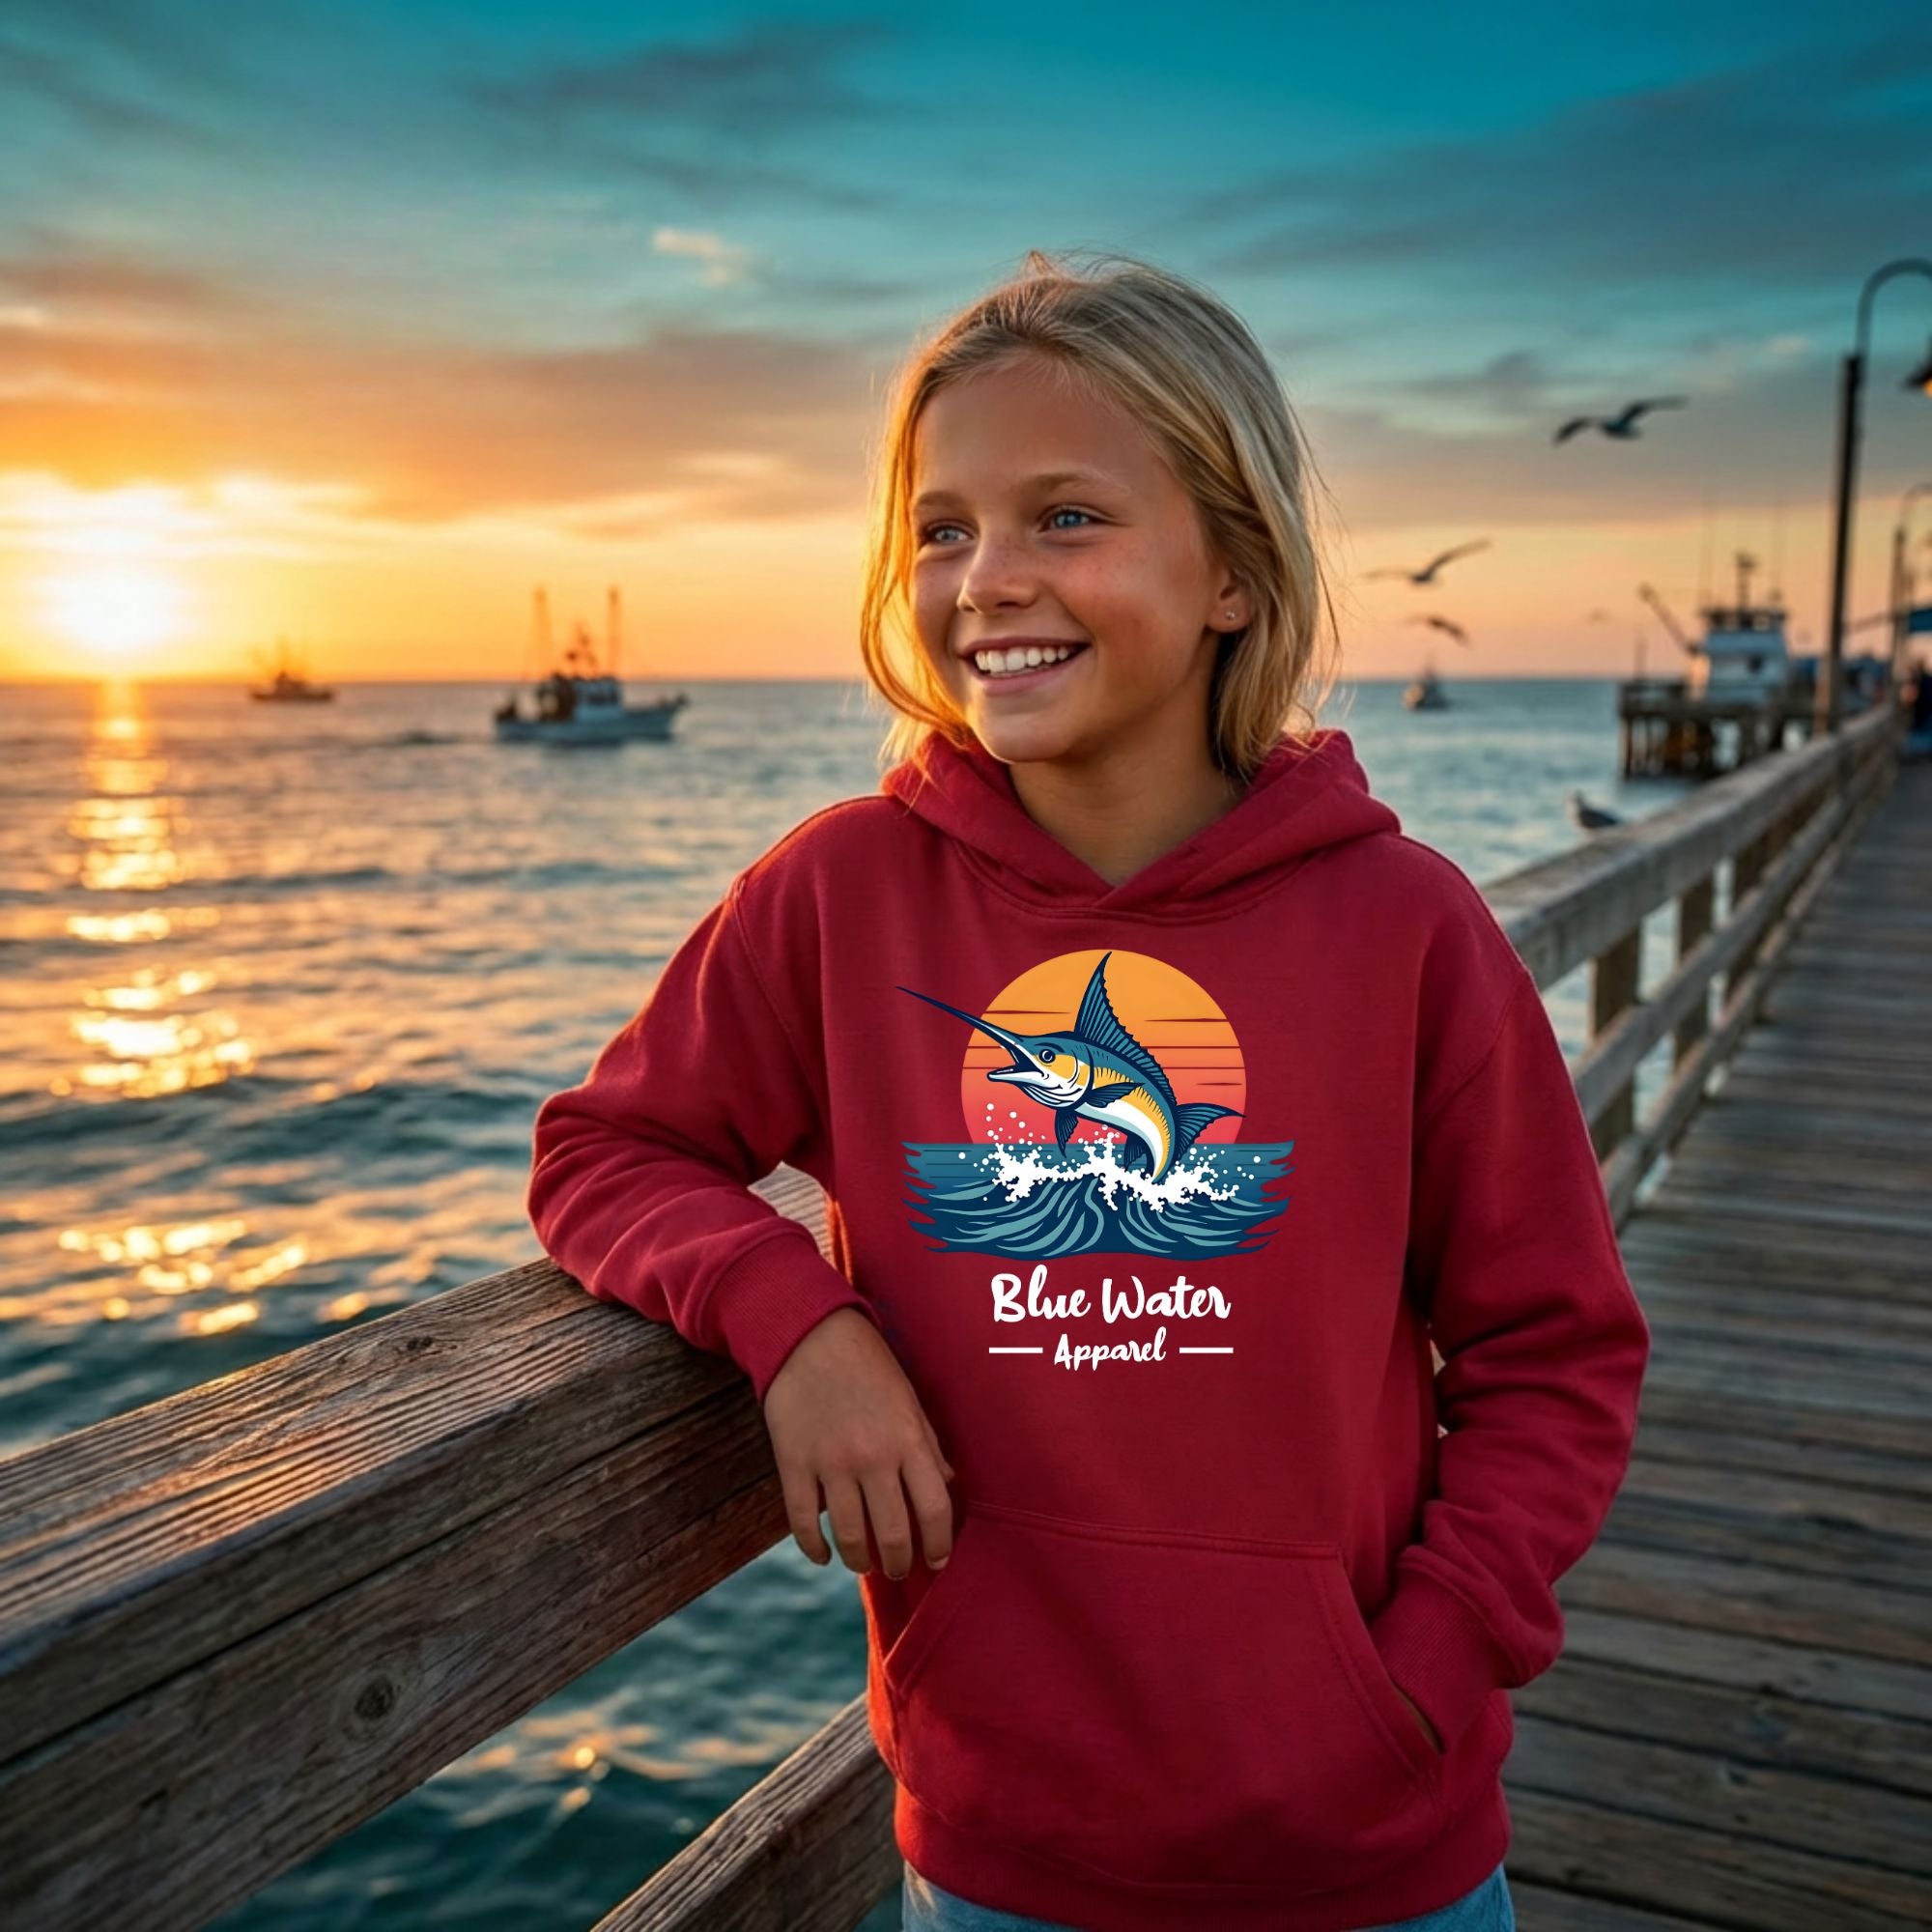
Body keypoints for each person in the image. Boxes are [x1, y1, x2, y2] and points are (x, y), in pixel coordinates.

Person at [526, 249, 1651, 1932]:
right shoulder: (842, 898)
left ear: (1233, 573)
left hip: (1376, 1853)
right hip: (1004, 1855)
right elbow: (607, 1148)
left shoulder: (1406, 928)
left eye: (1067, 518)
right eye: (943, 527)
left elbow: (1557, 1349)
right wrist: (795, 1319)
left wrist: (1423, 1664)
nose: (988, 577)